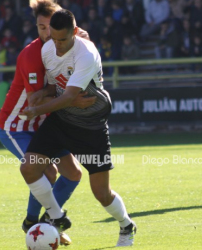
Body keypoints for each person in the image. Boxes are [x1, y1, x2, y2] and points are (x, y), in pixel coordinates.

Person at [19, 9, 137, 247]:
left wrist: (37, 110)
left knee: (102, 194)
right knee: (29, 168)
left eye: (63, 40)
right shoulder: (47, 50)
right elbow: (56, 89)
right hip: (61, 121)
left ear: (75, 33)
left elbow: (70, 95)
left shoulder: (86, 53)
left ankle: (127, 225)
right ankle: (56, 216)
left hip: (90, 128)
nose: (58, 45)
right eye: (53, 38)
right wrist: (41, 94)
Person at [0, 0, 94, 245]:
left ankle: (43, 223)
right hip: (16, 126)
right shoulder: (31, 55)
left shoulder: (69, 47)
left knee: (73, 173)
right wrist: (73, 100)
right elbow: (34, 102)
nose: (47, 33)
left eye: (51, 27)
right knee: (46, 171)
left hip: (43, 124)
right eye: (41, 27)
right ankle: (39, 222)